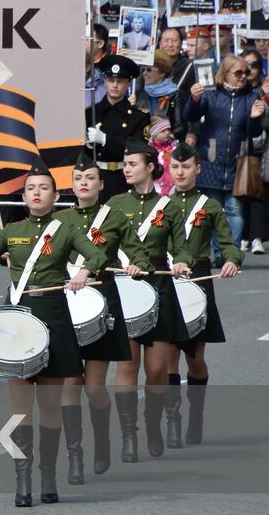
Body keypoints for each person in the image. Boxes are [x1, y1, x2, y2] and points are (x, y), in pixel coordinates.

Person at [0, 162, 104, 507]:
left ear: (55, 195)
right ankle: (22, 479)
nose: (37, 192)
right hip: (17, 317)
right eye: (31, 188)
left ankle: (48, 476)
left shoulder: (65, 228)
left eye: (44, 188)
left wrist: (84, 270)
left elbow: (96, 252)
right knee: (20, 408)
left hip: (53, 315)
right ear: (23, 195)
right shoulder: (11, 230)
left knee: (49, 406)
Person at [107, 139, 194, 462]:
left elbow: (182, 245)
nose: (126, 169)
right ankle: (129, 436)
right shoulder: (115, 205)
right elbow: (99, 242)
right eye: (125, 164)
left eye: (132, 164)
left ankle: (153, 422)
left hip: (159, 286)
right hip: (126, 289)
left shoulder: (169, 207)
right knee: (127, 368)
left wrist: (182, 261)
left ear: (150, 167)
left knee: (157, 371)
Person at [56, 153, 135, 479]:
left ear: (101, 184)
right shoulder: (60, 221)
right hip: (70, 305)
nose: (84, 183)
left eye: (90, 178)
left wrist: (136, 263)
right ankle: (75, 456)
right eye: (78, 179)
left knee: (94, 385)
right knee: (70, 382)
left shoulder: (114, 218)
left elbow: (135, 249)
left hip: (102, 303)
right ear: (72, 185)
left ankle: (101, 440)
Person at [162, 144, 241, 449]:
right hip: (169, 282)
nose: (180, 173)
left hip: (198, 282)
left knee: (195, 358)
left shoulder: (210, 206)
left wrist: (233, 260)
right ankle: (173, 421)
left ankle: (196, 414)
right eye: (175, 167)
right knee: (168, 355)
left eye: (186, 167)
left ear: (197, 169)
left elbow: (229, 244)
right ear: (169, 170)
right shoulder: (160, 206)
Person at [185, 55, 266, 246]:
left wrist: (255, 117)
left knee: (234, 210)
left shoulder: (251, 97)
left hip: (236, 161)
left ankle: (232, 252)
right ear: (225, 73)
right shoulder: (211, 93)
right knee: (214, 210)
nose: (243, 76)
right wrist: (195, 99)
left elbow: (254, 132)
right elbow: (190, 115)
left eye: (246, 72)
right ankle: (219, 252)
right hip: (211, 158)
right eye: (238, 72)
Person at [86, 55, 150, 200]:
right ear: (105, 82)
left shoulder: (138, 117)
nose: (115, 85)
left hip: (123, 179)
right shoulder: (91, 113)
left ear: (128, 84)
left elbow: (136, 149)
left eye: (120, 81)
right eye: (111, 80)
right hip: (96, 178)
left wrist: (104, 140)